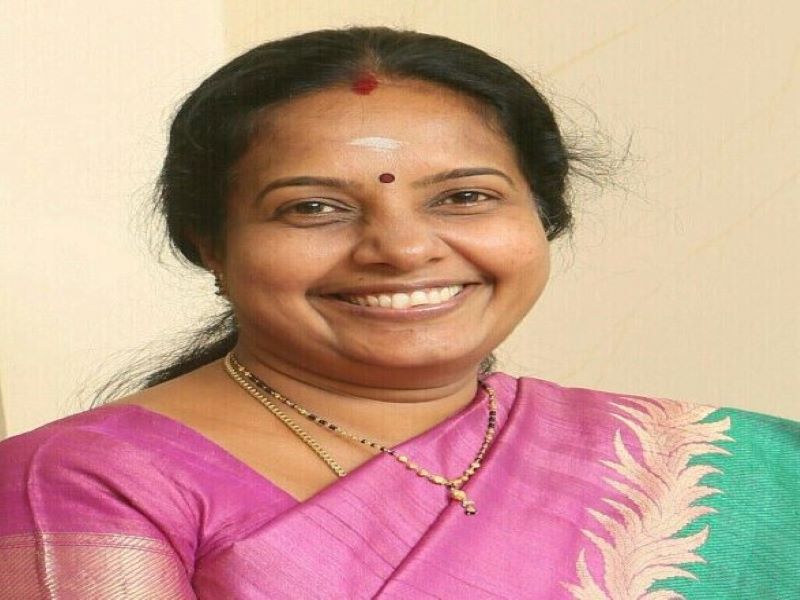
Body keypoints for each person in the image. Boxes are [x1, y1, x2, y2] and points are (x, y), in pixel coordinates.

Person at [0, 26, 797, 599]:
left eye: (465, 197)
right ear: (209, 243)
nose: (404, 249)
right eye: (313, 207)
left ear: (543, 215)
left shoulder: (734, 470)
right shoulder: (85, 480)